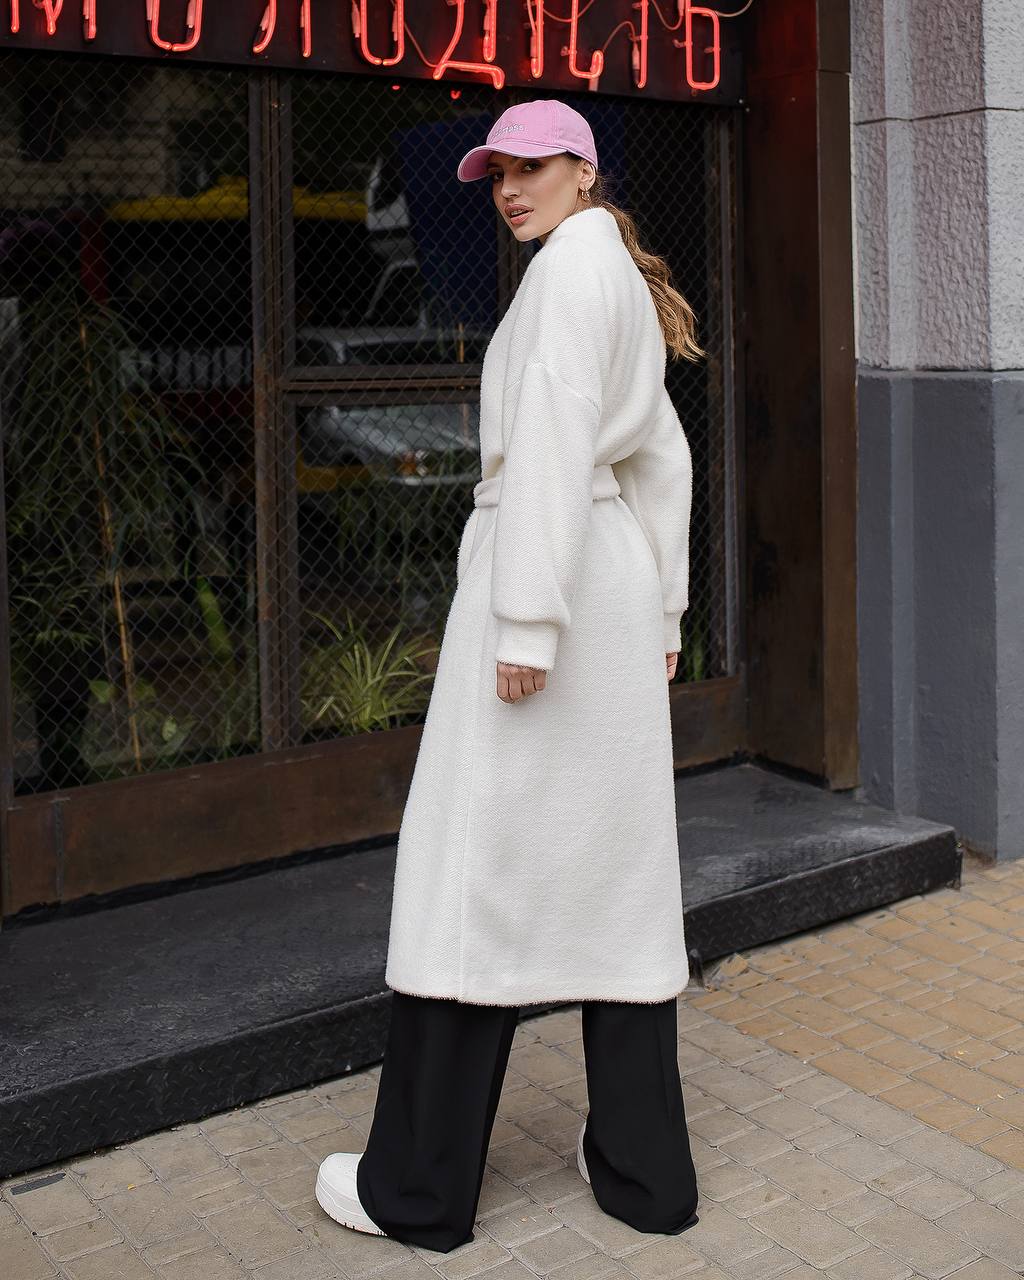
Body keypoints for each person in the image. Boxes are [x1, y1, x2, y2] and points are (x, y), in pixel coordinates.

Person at [314, 98, 705, 1254]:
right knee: (618, 879)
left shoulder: (568, 281)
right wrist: (668, 604)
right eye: (495, 174)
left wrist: (526, 624)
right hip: (612, 588)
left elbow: (547, 448)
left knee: (464, 869)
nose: (508, 188)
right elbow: (663, 457)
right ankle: (647, 1175)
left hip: (555, 590)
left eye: (530, 167)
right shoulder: (613, 276)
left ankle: (417, 1190)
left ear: (583, 170)